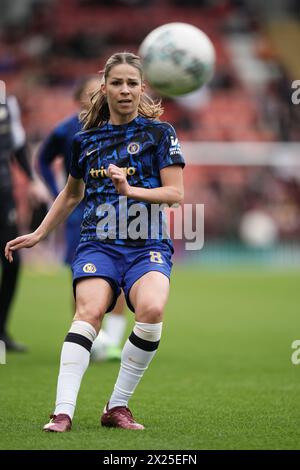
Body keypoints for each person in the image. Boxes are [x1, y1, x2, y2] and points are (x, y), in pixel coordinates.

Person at [5, 52, 185, 431]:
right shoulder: (84, 140)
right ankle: (62, 411)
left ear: (142, 89)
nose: (125, 90)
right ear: (104, 89)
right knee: (87, 313)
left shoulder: (160, 134)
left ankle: (116, 407)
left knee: (151, 312)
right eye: (117, 83)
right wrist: (38, 234)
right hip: (97, 243)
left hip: (146, 242)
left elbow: (175, 194)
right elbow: (71, 195)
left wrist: (129, 188)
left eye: (132, 83)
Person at [37, 76, 127, 361]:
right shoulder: (68, 129)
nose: (97, 97)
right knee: (83, 274)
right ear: (79, 98)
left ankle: (112, 340)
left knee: (122, 273)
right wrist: (56, 191)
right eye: (91, 93)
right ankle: (89, 335)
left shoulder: (118, 126)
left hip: (115, 211)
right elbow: (42, 159)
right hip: (79, 212)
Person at [0, 94, 44, 351]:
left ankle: (1, 329)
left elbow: (17, 145)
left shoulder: (8, 103)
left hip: (3, 195)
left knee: (12, 259)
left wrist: (32, 179)